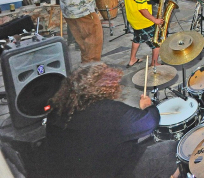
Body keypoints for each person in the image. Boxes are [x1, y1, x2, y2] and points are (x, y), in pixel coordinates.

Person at [45, 63, 179, 178]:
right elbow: (150, 122)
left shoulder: (57, 111)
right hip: (112, 172)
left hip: (71, 171)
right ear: (105, 88)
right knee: (171, 148)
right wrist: (148, 106)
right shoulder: (109, 111)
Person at [124, 0, 163, 68]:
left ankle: (132, 59)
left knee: (137, 38)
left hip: (133, 19)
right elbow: (142, 9)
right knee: (157, 42)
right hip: (144, 21)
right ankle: (154, 63)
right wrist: (154, 20)